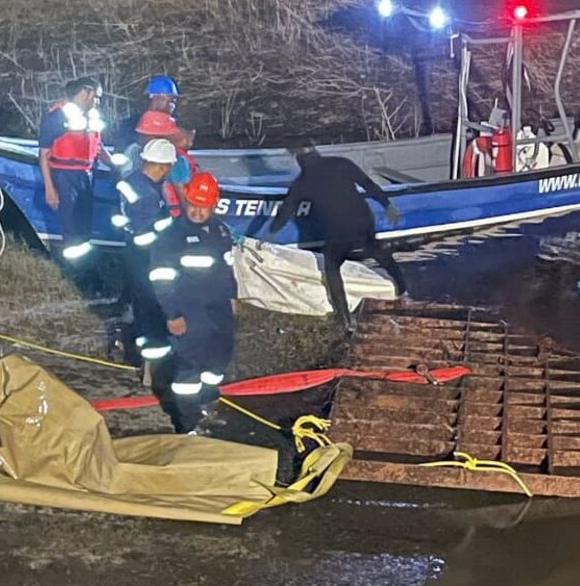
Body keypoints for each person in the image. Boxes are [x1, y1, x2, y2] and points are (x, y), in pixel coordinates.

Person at [269, 147, 407, 331]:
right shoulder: (341, 163)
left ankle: (345, 318)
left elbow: (284, 214)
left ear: (299, 160)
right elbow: (368, 184)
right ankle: (403, 290)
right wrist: (388, 205)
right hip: (362, 222)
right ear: (316, 151)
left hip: (337, 232)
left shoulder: (301, 184)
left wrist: (269, 233)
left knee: (332, 267)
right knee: (378, 251)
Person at [148, 171, 237, 433]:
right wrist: (172, 314)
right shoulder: (171, 236)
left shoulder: (220, 231)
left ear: (213, 205)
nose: (198, 212)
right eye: (194, 205)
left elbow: (227, 268)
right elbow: (161, 279)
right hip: (189, 312)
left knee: (218, 359)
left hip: (218, 310)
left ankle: (206, 404)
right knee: (189, 369)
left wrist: (232, 297)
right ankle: (187, 423)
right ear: (186, 202)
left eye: (204, 207)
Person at [112, 138, 178, 364]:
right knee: (152, 304)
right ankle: (156, 361)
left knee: (140, 304)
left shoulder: (131, 181)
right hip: (149, 255)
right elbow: (152, 229)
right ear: (162, 166)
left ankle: (134, 349)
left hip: (132, 250)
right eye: (169, 167)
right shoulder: (148, 195)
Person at [38, 76, 115, 261]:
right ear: (84, 92)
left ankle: (83, 265)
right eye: (96, 97)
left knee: (84, 224)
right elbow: (43, 154)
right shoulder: (57, 117)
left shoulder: (92, 117)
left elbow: (98, 146)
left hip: (86, 175)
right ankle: (70, 268)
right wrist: (50, 188)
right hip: (64, 176)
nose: (97, 102)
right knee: (71, 226)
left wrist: (116, 166)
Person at [114, 75, 180, 154]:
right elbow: (120, 152)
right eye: (171, 100)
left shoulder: (174, 124)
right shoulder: (131, 125)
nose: (173, 105)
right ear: (156, 97)